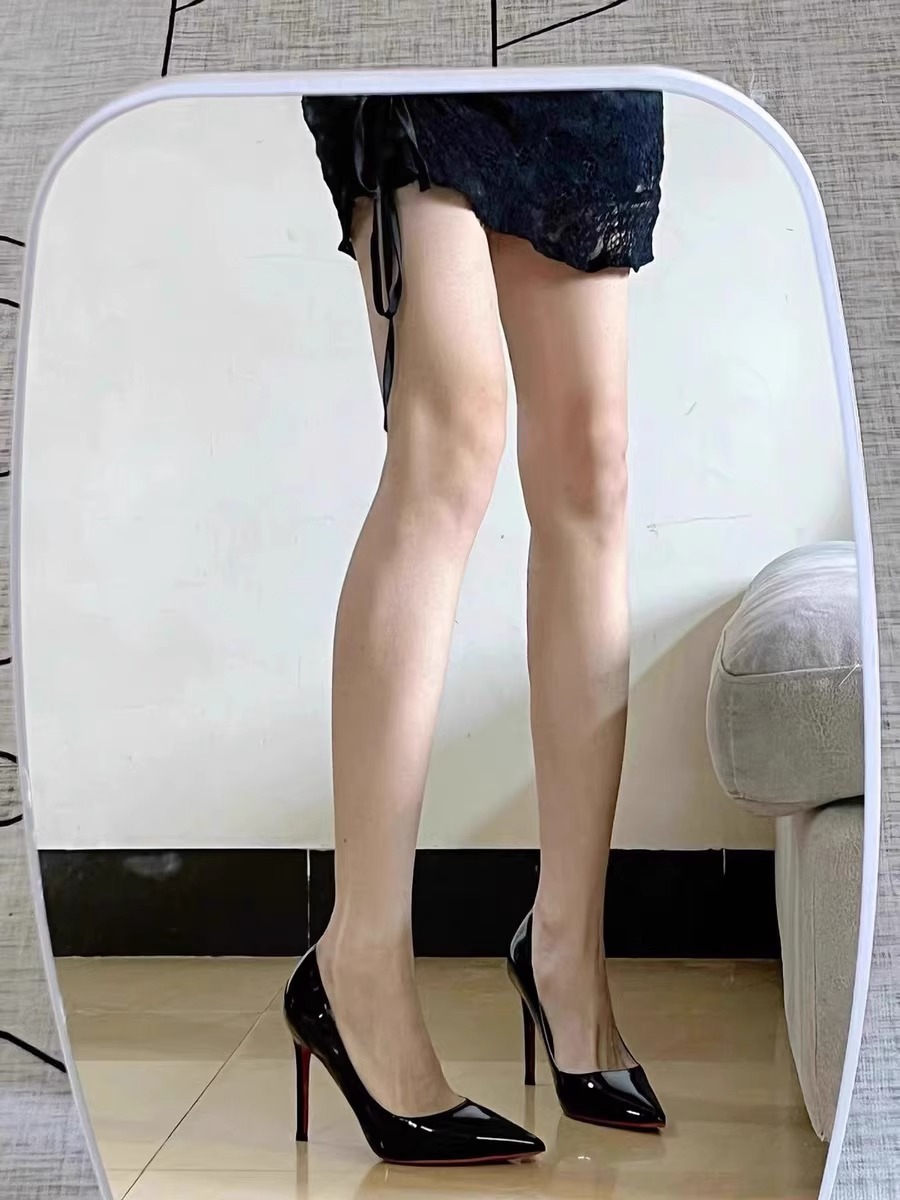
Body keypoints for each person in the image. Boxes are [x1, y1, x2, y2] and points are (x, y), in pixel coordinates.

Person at [284, 90, 666, 1165]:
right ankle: (358, 963)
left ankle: (566, 953)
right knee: (449, 438)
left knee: (591, 464)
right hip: (416, 59)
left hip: (569, 64)